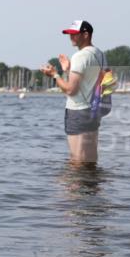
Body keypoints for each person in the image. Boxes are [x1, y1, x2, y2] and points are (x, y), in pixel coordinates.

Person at [40, 20, 109, 164]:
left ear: (86, 34)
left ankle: (76, 186)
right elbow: (88, 82)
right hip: (94, 110)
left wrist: (54, 75)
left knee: (77, 161)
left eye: (74, 34)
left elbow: (71, 90)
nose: (71, 37)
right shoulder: (99, 54)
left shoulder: (80, 56)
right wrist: (68, 69)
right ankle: (91, 186)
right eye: (69, 34)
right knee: (89, 160)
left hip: (78, 112)